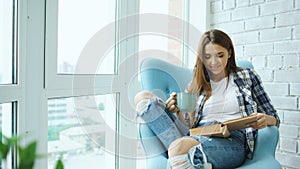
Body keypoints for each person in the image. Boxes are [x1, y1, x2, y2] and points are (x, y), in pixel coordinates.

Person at [134, 29, 280, 169]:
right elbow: (189, 125)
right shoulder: (196, 84)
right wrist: (178, 111)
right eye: (208, 57)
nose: (214, 62)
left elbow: (274, 117)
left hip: (231, 140)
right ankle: (180, 156)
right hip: (196, 135)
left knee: (179, 148)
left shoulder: (247, 76)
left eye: (220, 55)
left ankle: (179, 155)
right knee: (143, 97)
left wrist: (265, 119)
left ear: (229, 53)